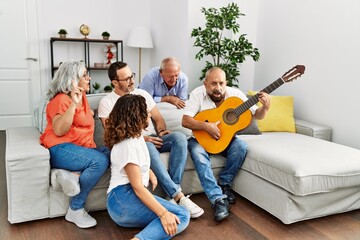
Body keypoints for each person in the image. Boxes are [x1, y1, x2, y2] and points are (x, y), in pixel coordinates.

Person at [98, 61, 204, 218]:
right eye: (126, 79)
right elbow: (112, 134)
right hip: (134, 141)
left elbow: (158, 118)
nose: (132, 81)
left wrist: (161, 131)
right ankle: (177, 195)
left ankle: (173, 192)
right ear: (115, 82)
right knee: (146, 145)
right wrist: (142, 138)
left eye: (132, 76)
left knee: (180, 138)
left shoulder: (143, 94)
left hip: (155, 138)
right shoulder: (107, 103)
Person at [182, 67, 270, 222]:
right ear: (205, 83)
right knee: (198, 155)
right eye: (213, 84)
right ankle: (218, 199)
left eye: (221, 83)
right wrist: (206, 126)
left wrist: (265, 107)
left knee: (241, 147)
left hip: (226, 140)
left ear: (226, 83)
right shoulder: (197, 94)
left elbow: (257, 115)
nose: (218, 88)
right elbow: (185, 120)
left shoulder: (235, 95)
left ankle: (225, 183)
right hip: (200, 140)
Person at [104, 94, 190, 239]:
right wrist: (163, 213)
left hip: (123, 200)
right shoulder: (128, 144)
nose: (150, 114)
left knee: (175, 215)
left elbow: (132, 164)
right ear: (136, 115)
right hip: (123, 200)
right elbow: (137, 187)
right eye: (146, 110)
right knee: (181, 215)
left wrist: (147, 170)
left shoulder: (135, 138)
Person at [40, 60, 110, 228]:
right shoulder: (61, 100)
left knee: (111, 152)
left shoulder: (83, 98)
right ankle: (75, 208)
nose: (89, 78)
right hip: (60, 148)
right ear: (72, 79)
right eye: (84, 75)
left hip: (79, 150)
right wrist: (73, 104)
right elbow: (58, 130)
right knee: (99, 161)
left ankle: (75, 174)